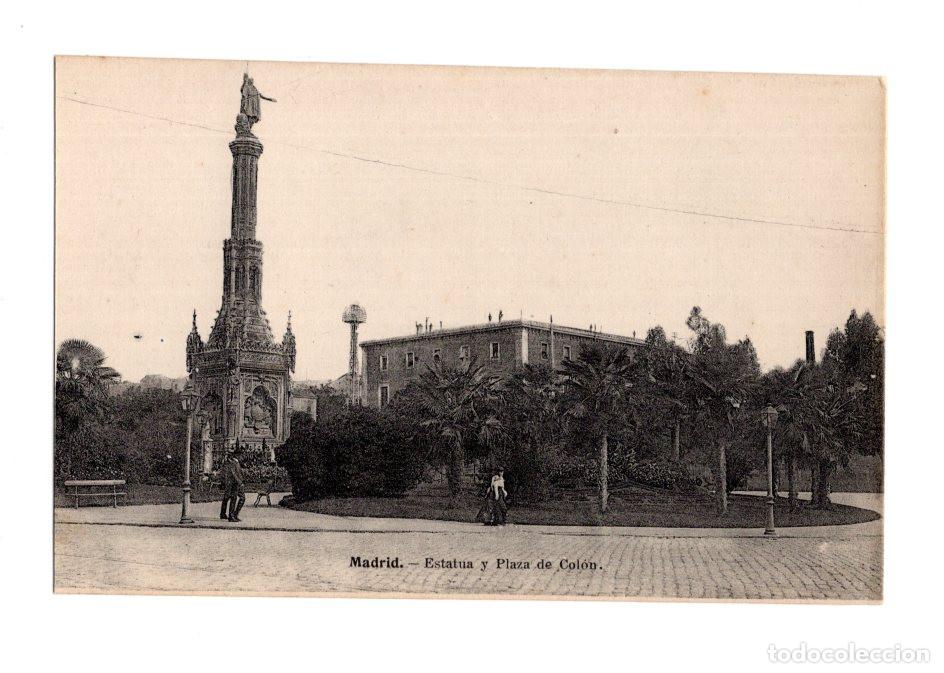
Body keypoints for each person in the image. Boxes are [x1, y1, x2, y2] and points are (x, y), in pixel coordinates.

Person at [221, 445, 246, 522]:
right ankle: (232, 516)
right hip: (234, 483)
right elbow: (233, 473)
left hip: (234, 483)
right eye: (241, 455)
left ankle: (230, 515)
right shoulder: (233, 462)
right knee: (237, 498)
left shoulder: (235, 462)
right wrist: (240, 482)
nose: (242, 456)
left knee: (231, 498)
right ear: (237, 455)